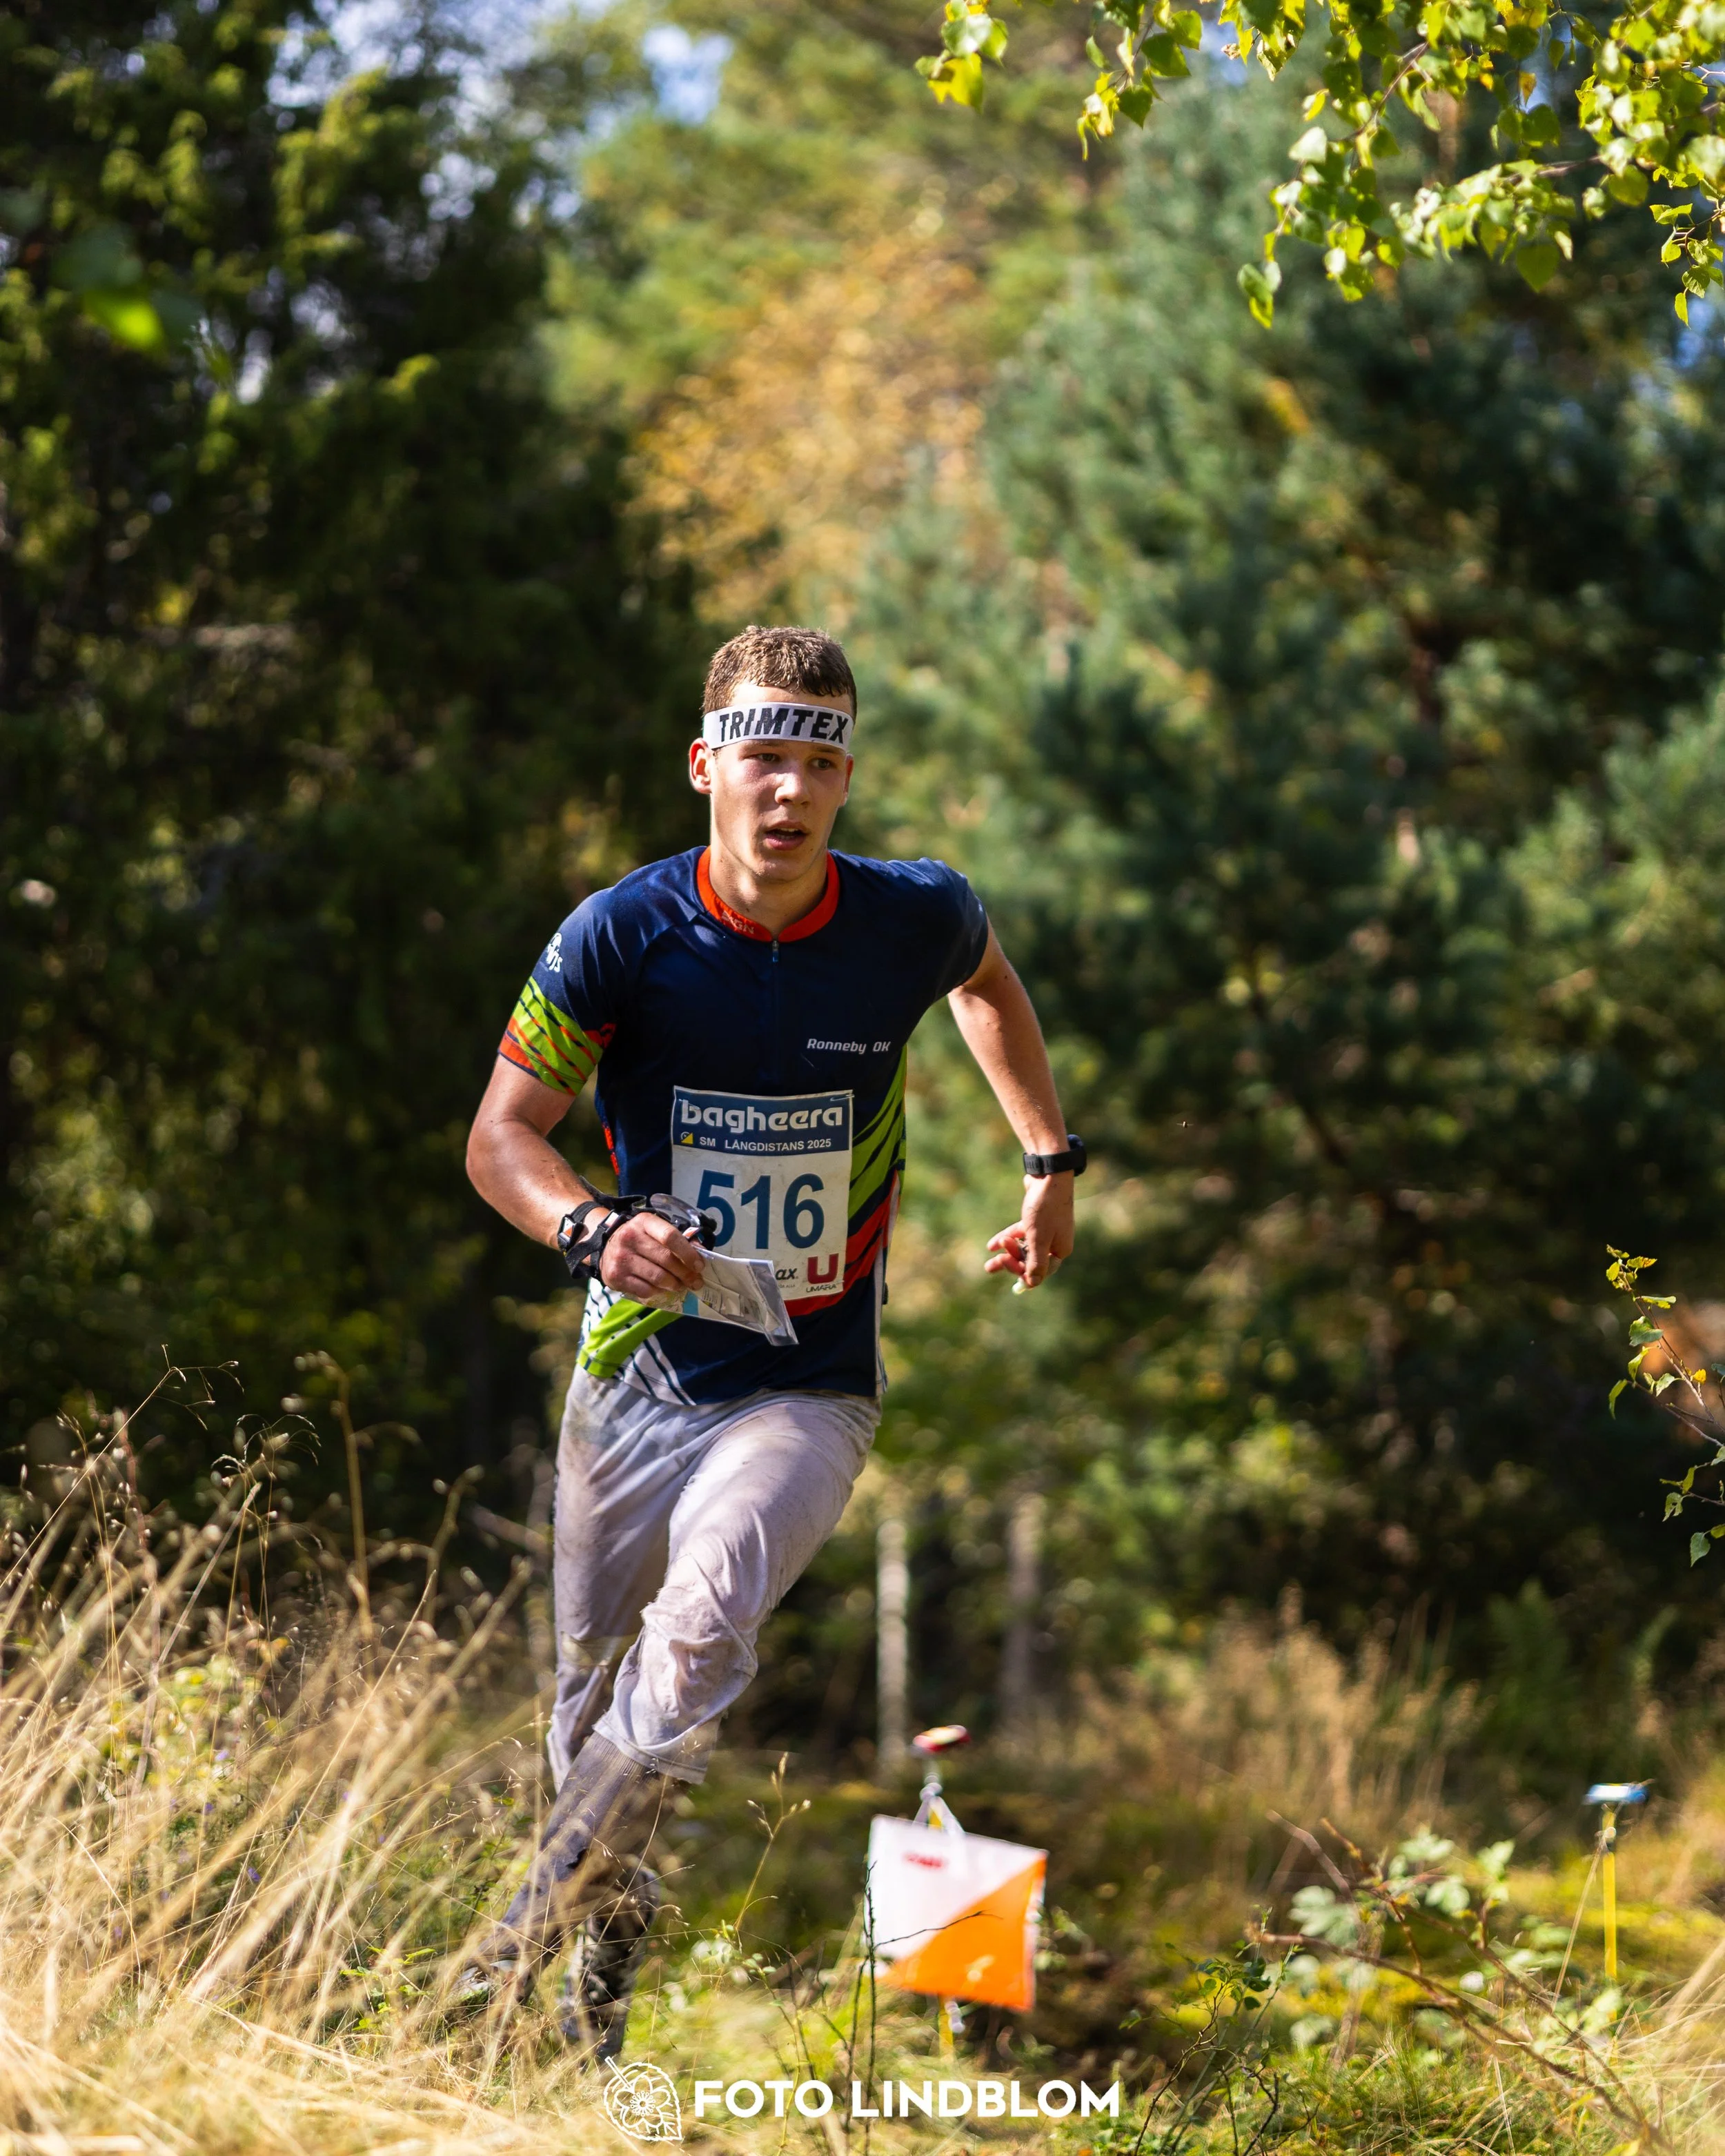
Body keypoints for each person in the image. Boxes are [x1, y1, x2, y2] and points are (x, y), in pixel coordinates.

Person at [458, 624, 1085, 2053]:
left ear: (846, 779)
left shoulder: (907, 916)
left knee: (698, 1632)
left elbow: (987, 981)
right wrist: (587, 1228)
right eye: (761, 758)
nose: (788, 791)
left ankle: (504, 1953)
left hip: (806, 1378)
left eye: (818, 761)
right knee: (588, 1710)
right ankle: (591, 1979)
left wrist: (1047, 1163)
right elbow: (503, 1136)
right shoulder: (618, 934)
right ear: (705, 766)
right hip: (639, 1370)